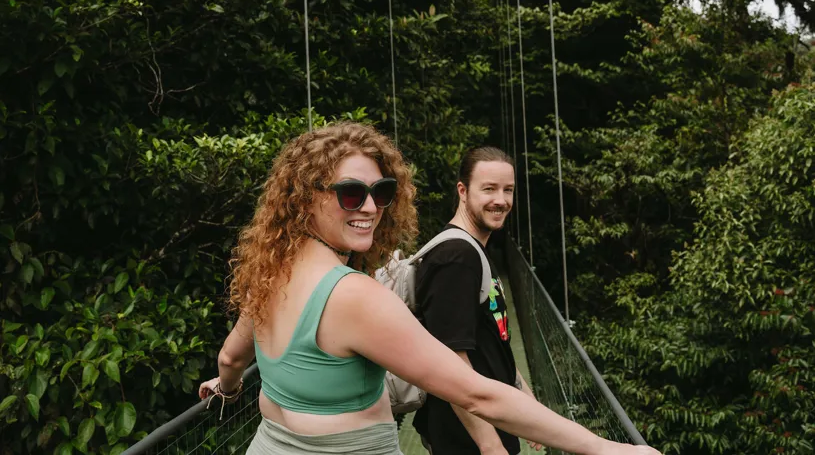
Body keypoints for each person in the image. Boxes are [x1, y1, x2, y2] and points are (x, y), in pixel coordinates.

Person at [199, 122, 661, 455]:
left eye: (380, 192)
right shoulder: (352, 296)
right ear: (305, 199)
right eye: (349, 194)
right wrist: (607, 450)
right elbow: (477, 394)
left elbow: (231, 358)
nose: (370, 208)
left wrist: (228, 387)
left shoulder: (272, 271)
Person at [413, 146, 536, 455]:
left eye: (508, 190)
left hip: (490, 422)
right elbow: (451, 360)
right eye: (489, 189)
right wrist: (490, 445)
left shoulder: (474, 250)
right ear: (463, 190)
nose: (501, 200)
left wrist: (527, 402)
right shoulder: (456, 258)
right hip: (468, 438)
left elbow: (493, 340)